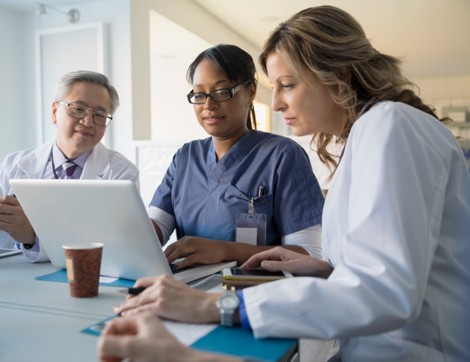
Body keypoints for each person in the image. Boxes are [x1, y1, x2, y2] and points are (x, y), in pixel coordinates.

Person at [98, 5, 470, 362]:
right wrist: (327, 269)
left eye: (287, 85)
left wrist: (215, 305)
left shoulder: (389, 125)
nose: (274, 104)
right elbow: (384, 265)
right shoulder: (367, 135)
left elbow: (386, 292)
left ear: (336, 74)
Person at [148, 44, 324, 269]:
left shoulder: (283, 156)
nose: (209, 105)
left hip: (251, 292)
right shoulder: (185, 157)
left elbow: (308, 254)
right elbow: (155, 227)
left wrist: (225, 250)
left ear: (250, 92)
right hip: (185, 287)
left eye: (222, 92)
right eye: (199, 95)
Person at [0, 70, 139, 262]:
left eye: (99, 114)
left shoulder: (122, 174)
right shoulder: (12, 166)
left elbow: (114, 248)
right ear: (55, 112)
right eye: (78, 109)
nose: (88, 121)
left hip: (87, 282)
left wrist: (33, 236)